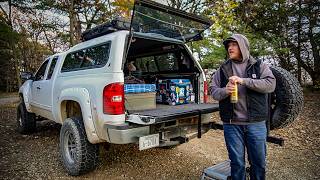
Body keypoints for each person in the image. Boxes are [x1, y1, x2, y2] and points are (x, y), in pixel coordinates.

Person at [210, 34, 276, 180]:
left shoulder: (259, 65)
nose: (230, 48)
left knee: (258, 163)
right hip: (232, 124)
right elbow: (213, 92)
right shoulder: (223, 69)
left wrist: (244, 81)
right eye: (228, 45)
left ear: (243, 47)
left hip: (256, 123)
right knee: (237, 163)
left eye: (234, 44)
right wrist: (224, 91)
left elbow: (270, 84)